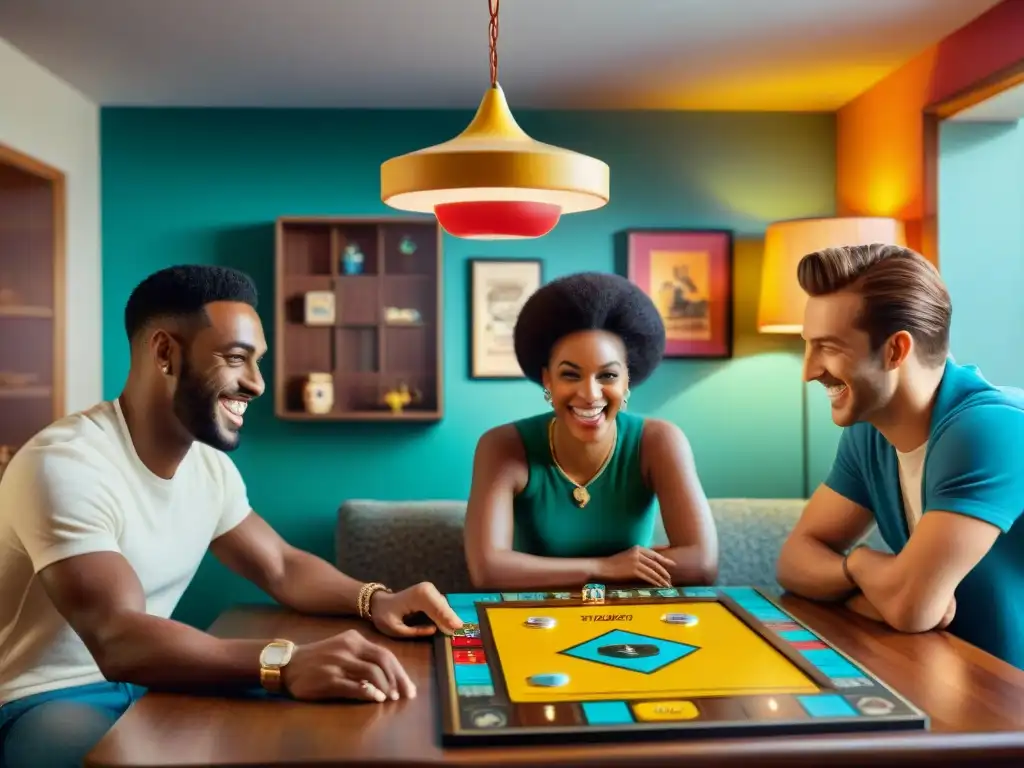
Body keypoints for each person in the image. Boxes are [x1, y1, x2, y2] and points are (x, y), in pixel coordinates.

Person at [0, 265, 463, 768]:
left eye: (257, 362)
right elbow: (119, 637)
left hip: (155, 678)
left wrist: (375, 599)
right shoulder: (65, 465)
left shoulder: (208, 466)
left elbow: (281, 566)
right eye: (236, 359)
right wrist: (285, 661)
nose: (257, 384)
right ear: (164, 353)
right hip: (46, 698)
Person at [776, 243, 1024, 669]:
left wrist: (878, 586)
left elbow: (911, 608)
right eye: (808, 346)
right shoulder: (869, 432)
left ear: (895, 350)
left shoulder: (992, 430)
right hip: (951, 675)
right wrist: (866, 570)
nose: (809, 371)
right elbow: (794, 562)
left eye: (829, 347)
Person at [464, 271, 718, 591]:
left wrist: (542, 572)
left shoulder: (659, 441)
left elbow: (702, 564)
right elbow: (488, 571)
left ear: (628, 380)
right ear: (547, 380)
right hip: (530, 618)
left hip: (635, 616)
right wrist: (605, 567)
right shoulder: (502, 446)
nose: (590, 394)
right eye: (570, 375)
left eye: (608, 376)